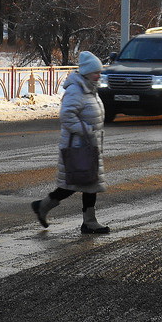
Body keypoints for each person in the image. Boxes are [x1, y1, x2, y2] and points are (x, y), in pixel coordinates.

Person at [31, 50, 110, 234]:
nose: (99, 75)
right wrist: (87, 132)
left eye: (100, 72)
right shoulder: (76, 90)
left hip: (89, 144)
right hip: (77, 145)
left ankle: (88, 221)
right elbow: (67, 116)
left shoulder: (90, 88)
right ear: (86, 73)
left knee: (89, 183)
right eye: (96, 72)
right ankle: (44, 206)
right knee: (74, 184)